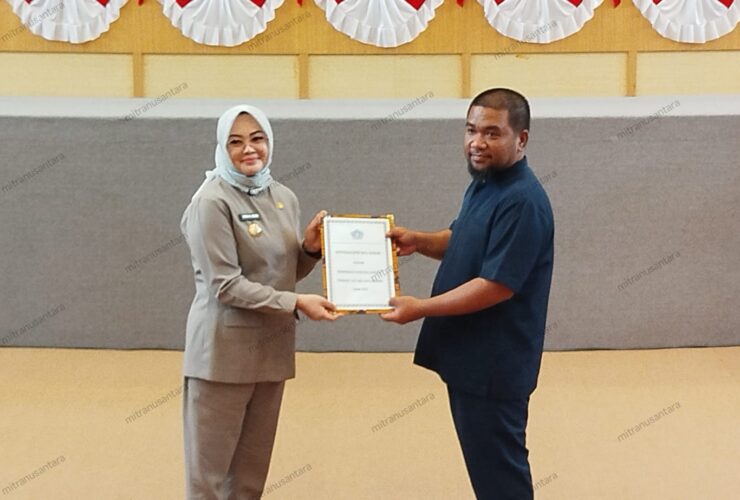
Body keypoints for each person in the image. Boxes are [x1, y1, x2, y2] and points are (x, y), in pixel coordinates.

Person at [381, 88, 554, 500]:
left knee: (501, 480)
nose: (477, 142)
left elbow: (496, 286)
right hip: (469, 358)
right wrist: (419, 240)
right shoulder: (486, 182)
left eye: (492, 133)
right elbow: (463, 239)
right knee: (488, 472)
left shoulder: (522, 201)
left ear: (521, 139)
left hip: (493, 367)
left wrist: (420, 308)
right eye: (471, 130)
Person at [180, 104, 337, 499]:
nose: (249, 149)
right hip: (222, 355)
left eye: (257, 138)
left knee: (250, 477)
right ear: (222, 147)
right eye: (236, 142)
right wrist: (297, 303)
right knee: (209, 479)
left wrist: (309, 250)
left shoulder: (283, 196)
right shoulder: (211, 202)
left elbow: (281, 274)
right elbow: (225, 285)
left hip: (271, 352)